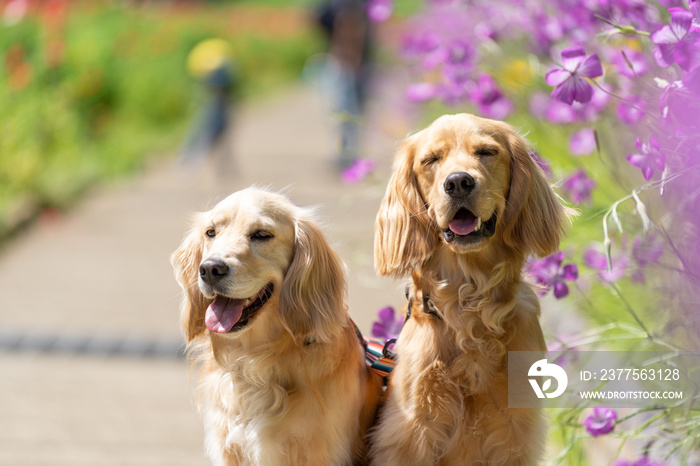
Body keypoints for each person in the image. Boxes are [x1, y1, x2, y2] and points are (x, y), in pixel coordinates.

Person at [316, 0, 373, 169]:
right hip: (347, 61)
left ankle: (345, 154)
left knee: (346, 112)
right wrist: (349, 55)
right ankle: (345, 154)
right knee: (346, 113)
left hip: (349, 61)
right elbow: (348, 24)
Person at [180, 38, 237, 173]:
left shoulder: (209, 62)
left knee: (209, 128)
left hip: (216, 104)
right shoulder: (220, 62)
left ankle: (193, 158)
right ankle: (192, 158)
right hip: (217, 106)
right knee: (211, 130)